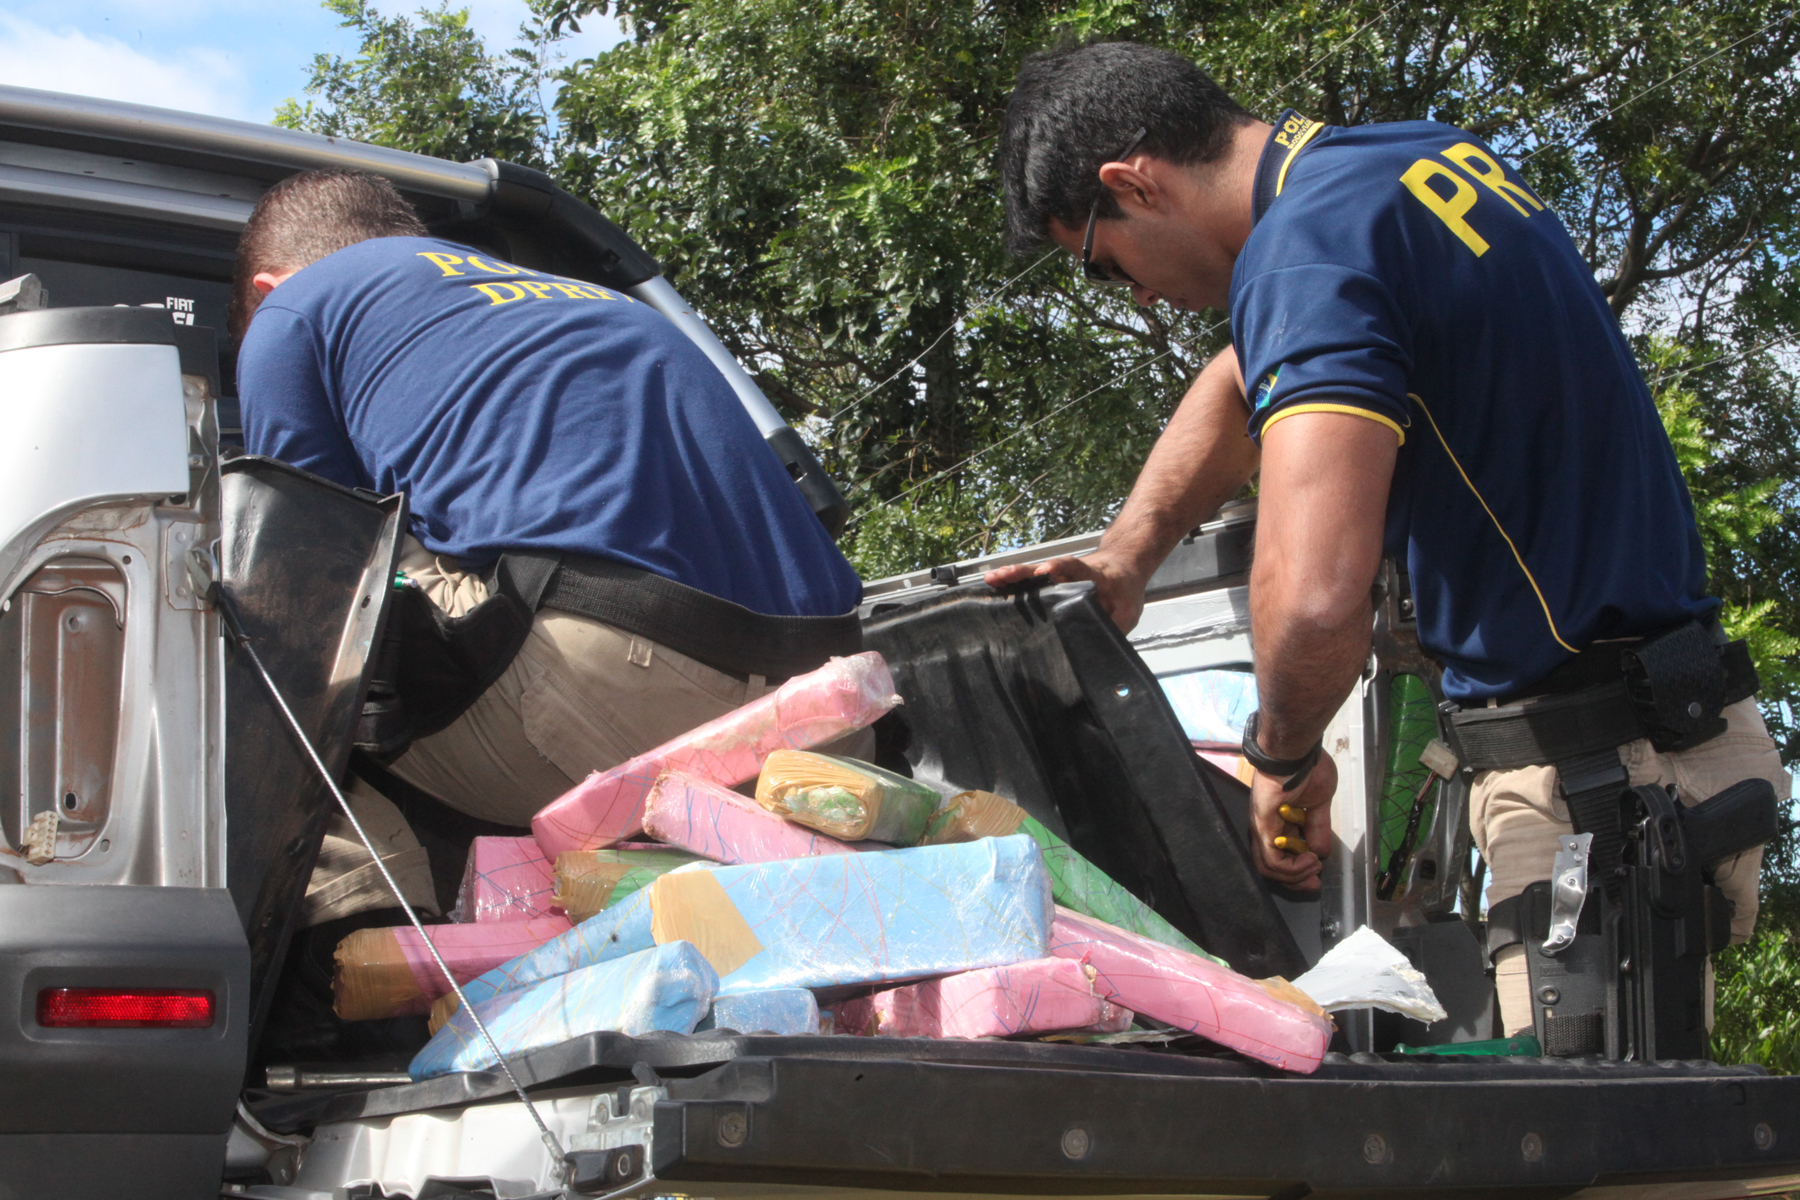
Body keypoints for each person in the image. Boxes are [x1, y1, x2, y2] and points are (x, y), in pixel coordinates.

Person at [988, 41, 1786, 1039]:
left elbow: (1321, 597)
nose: (1139, 297)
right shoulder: (1406, 164)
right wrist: (1128, 557)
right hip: (1657, 740)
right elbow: (1243, 379)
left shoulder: (1307, 249)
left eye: (1108, 266)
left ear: (1132, 183)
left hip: (1605, 788)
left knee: (1610, 1165)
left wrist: (1280, 757)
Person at [231, 169, 866, 832]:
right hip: (837, 710)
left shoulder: (293, 308)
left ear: (267, 288)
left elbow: (300, 578)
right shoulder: (583, 296)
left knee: (302, 663)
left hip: (615, 706)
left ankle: (374, 927)